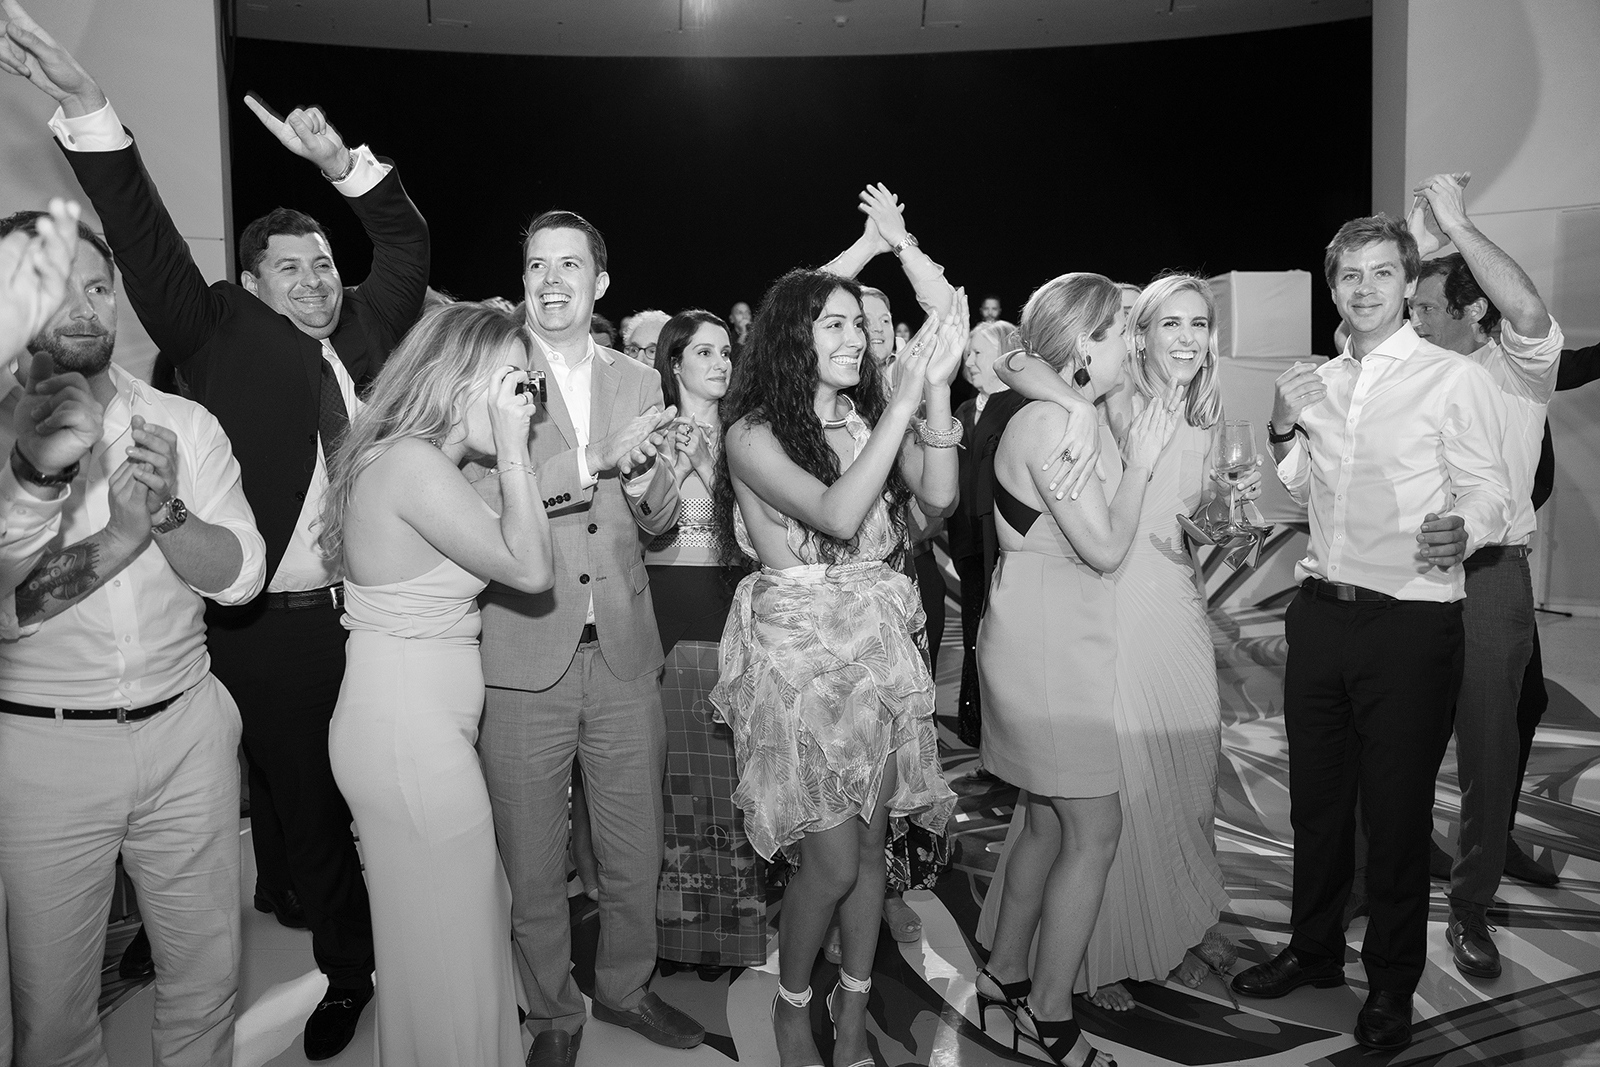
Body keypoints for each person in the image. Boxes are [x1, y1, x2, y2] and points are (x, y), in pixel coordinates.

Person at [0, 8, 431, 1055]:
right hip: (259, 622)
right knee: (295, 799)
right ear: (249, 283)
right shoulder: (220, 333)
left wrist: (346, 167)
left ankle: (329, 940)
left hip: (359, 613)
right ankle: (327, 949)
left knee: (313, 802)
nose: (318, 281)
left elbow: (407, 244)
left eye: (324, 263)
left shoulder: (365, 334)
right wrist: (87, 109)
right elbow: (142, 241)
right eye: (291, 266)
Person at [1230, 214, 1512, 1052]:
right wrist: (1285, 425)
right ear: (1333, 286)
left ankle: (1391, 984)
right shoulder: (1316, 380)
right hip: (1319, 615)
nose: (1362, 288)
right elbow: (1292, 486)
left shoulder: (1450, 379)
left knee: (1394, 818)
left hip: (1412, 620)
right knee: (1317, 806)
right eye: (1348, 274)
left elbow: (1492, 489)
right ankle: (1314, 951)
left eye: (1380, 274)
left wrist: (1464, 527)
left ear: (1405, 283)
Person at [0, 203, 267, 1067]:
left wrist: (169, 512)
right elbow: (8, 608)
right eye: (55, 291)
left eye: (99, 287)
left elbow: (241, 576)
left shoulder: (184, 426)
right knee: (54, 1016)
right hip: (46, 750)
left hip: (187, 728)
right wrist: (116, 538)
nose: (86, 307)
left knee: (205, 981)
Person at [979, 274, 1253, 1011]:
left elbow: (1164, 516)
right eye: (1162, 324)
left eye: (1200, 323)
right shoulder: (1108, 400)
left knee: (1170, 782)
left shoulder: (1190, 407)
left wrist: (1214, 529)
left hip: (1170, 599)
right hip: (1105, 609)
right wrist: (1076, 400)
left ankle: (1157, 930)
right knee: (1105, 801)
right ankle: (1094, 960)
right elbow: (1015, 358)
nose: (1183, 338)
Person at [711, 268, 961, 1067]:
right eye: (834, 325)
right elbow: (837, 513)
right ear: (793, 336)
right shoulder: (751, 432)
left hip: (876, 645)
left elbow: (941, 499)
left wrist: (937, 394)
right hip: (796, 651)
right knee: (831, 857)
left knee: (872, 842)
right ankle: (794, 1006)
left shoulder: (861, 422)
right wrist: (899, 403)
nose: (855, 338)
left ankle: (852, 1008)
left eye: (860, 324)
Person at [475, 210, 700, 1067]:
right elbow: (488, 497)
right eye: (537, 265)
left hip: (624, 648)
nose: (552, 280)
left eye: (570, 265)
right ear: (524, 278)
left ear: (600, 283)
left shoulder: (640, 380)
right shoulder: (486, 371)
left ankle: (627, 986)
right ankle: (552, 1015)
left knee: (634, 844)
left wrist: (646, 485)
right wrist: (605, 457)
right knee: (532, 858)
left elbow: (659, 515)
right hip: (524, 645)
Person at [319, 302, 552, 1067]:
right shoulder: (411, 463)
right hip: (406, 736)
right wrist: (515, 450)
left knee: (448, 933)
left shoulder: (421, 462)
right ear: (461, 378)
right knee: (452, 943)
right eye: (514, 382)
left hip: (411, 728)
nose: (527, 400)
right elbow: (528, 567)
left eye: (531, 386)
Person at [975, 272, 1178, 1067]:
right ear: (1087, 341)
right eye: (1125, 328)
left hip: (1037, 636)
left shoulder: (1051, 411)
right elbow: (1103, 548)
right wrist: (1141, 463)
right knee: (1094, 829)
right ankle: (1052, 1018)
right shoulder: (1066, 422)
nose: (1137, 341)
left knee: (1046, 820)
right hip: (1053, 650)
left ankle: (1004, 975)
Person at [1402, 173, 1563, 978]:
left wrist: (1457, 225)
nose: (1416, 320)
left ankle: (1471, 907)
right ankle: (1372, 878)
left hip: (1492, 578)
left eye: (1430, 309)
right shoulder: (1415, 368)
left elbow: (1528, 310)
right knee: (1385, 733)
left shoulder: (1519, 367)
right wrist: (1418, 248)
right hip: (1405, 573)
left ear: (1474, 315)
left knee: (1490, 750)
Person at [644, 309, 766, 977]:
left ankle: (726, 932)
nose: (721, 362)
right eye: (704, 351)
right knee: (671, 788)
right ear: (674, 363)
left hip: (734, 612)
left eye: (727, 351)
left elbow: (758, 527)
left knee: (729, 784)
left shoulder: (748, 436)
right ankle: (671, 933)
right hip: (666, 618)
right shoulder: (652, 434)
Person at [949, 319, 1018, 756]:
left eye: (979, 352)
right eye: (967, 353)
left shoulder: (1019, 406)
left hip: (1006, 541)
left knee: (1001, 638)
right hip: (968, 542)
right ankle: (978, 735)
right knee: (974, 632)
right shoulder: (959, 413)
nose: (969, 361)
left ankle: (1008, 740)